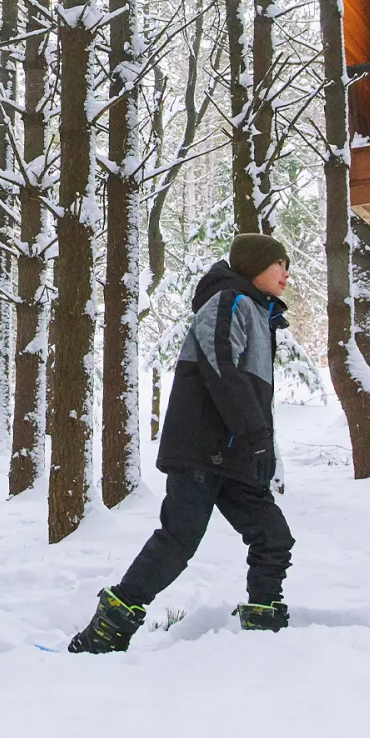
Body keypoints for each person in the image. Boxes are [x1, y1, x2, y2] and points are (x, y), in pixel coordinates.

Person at [69, 233, 295, 652]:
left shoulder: (258, 314)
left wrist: (259, 443)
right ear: (254, 266)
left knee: (273, 536)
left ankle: (266, 636)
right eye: (279, 263)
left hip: (235, 454)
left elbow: (249, 388)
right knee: (178, 541)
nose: (286, 273)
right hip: (201, 450)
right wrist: (254, 433)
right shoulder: (229, 300)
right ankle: (107, 630)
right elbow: (218, 364)